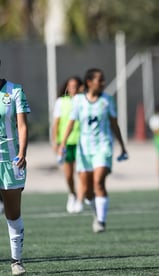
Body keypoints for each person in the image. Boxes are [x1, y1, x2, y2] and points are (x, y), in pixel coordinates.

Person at [59, 68, 128, 233]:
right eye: (100, 80)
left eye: (104, 80)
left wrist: (122, 146)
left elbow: (114, 123)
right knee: (88, 190)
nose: (103, 83)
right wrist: (63, 143)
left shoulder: (107, 100)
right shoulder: (79, 101)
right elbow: (71, 122)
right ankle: (97, 213)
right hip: (84, 149)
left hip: (103, 147)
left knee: (99, 182)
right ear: (89, 82)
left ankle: (102, 221)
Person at [0, 60, 31, 275]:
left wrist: (22, 152)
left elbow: (22, 125)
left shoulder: (14, 90)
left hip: (11, 161)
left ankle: (16, 261)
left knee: (12, 213)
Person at [51, 76, 84, 213]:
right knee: (69, 175)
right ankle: (72, 194)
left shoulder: (84, 101)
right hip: (66, 143)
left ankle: (80, 200)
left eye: (76, 86)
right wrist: (56, 142)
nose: (73, 88)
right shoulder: (61, 102)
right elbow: (56, 124)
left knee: (82, 173)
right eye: (70, 86)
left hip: (82, 142)